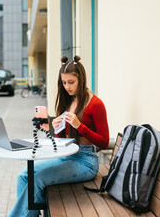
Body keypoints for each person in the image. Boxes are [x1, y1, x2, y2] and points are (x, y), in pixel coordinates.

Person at [8, 55, 109, 217]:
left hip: (86, 161)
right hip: (66, 156)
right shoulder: (70, 100)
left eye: (71, 82)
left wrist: (79, 125)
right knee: (23, 175)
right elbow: (63, 141)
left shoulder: (96, 104)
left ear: (81, 79)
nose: (67, 87)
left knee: (37, 180)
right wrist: (57, 128)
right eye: (64, 83)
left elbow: (104, 142)